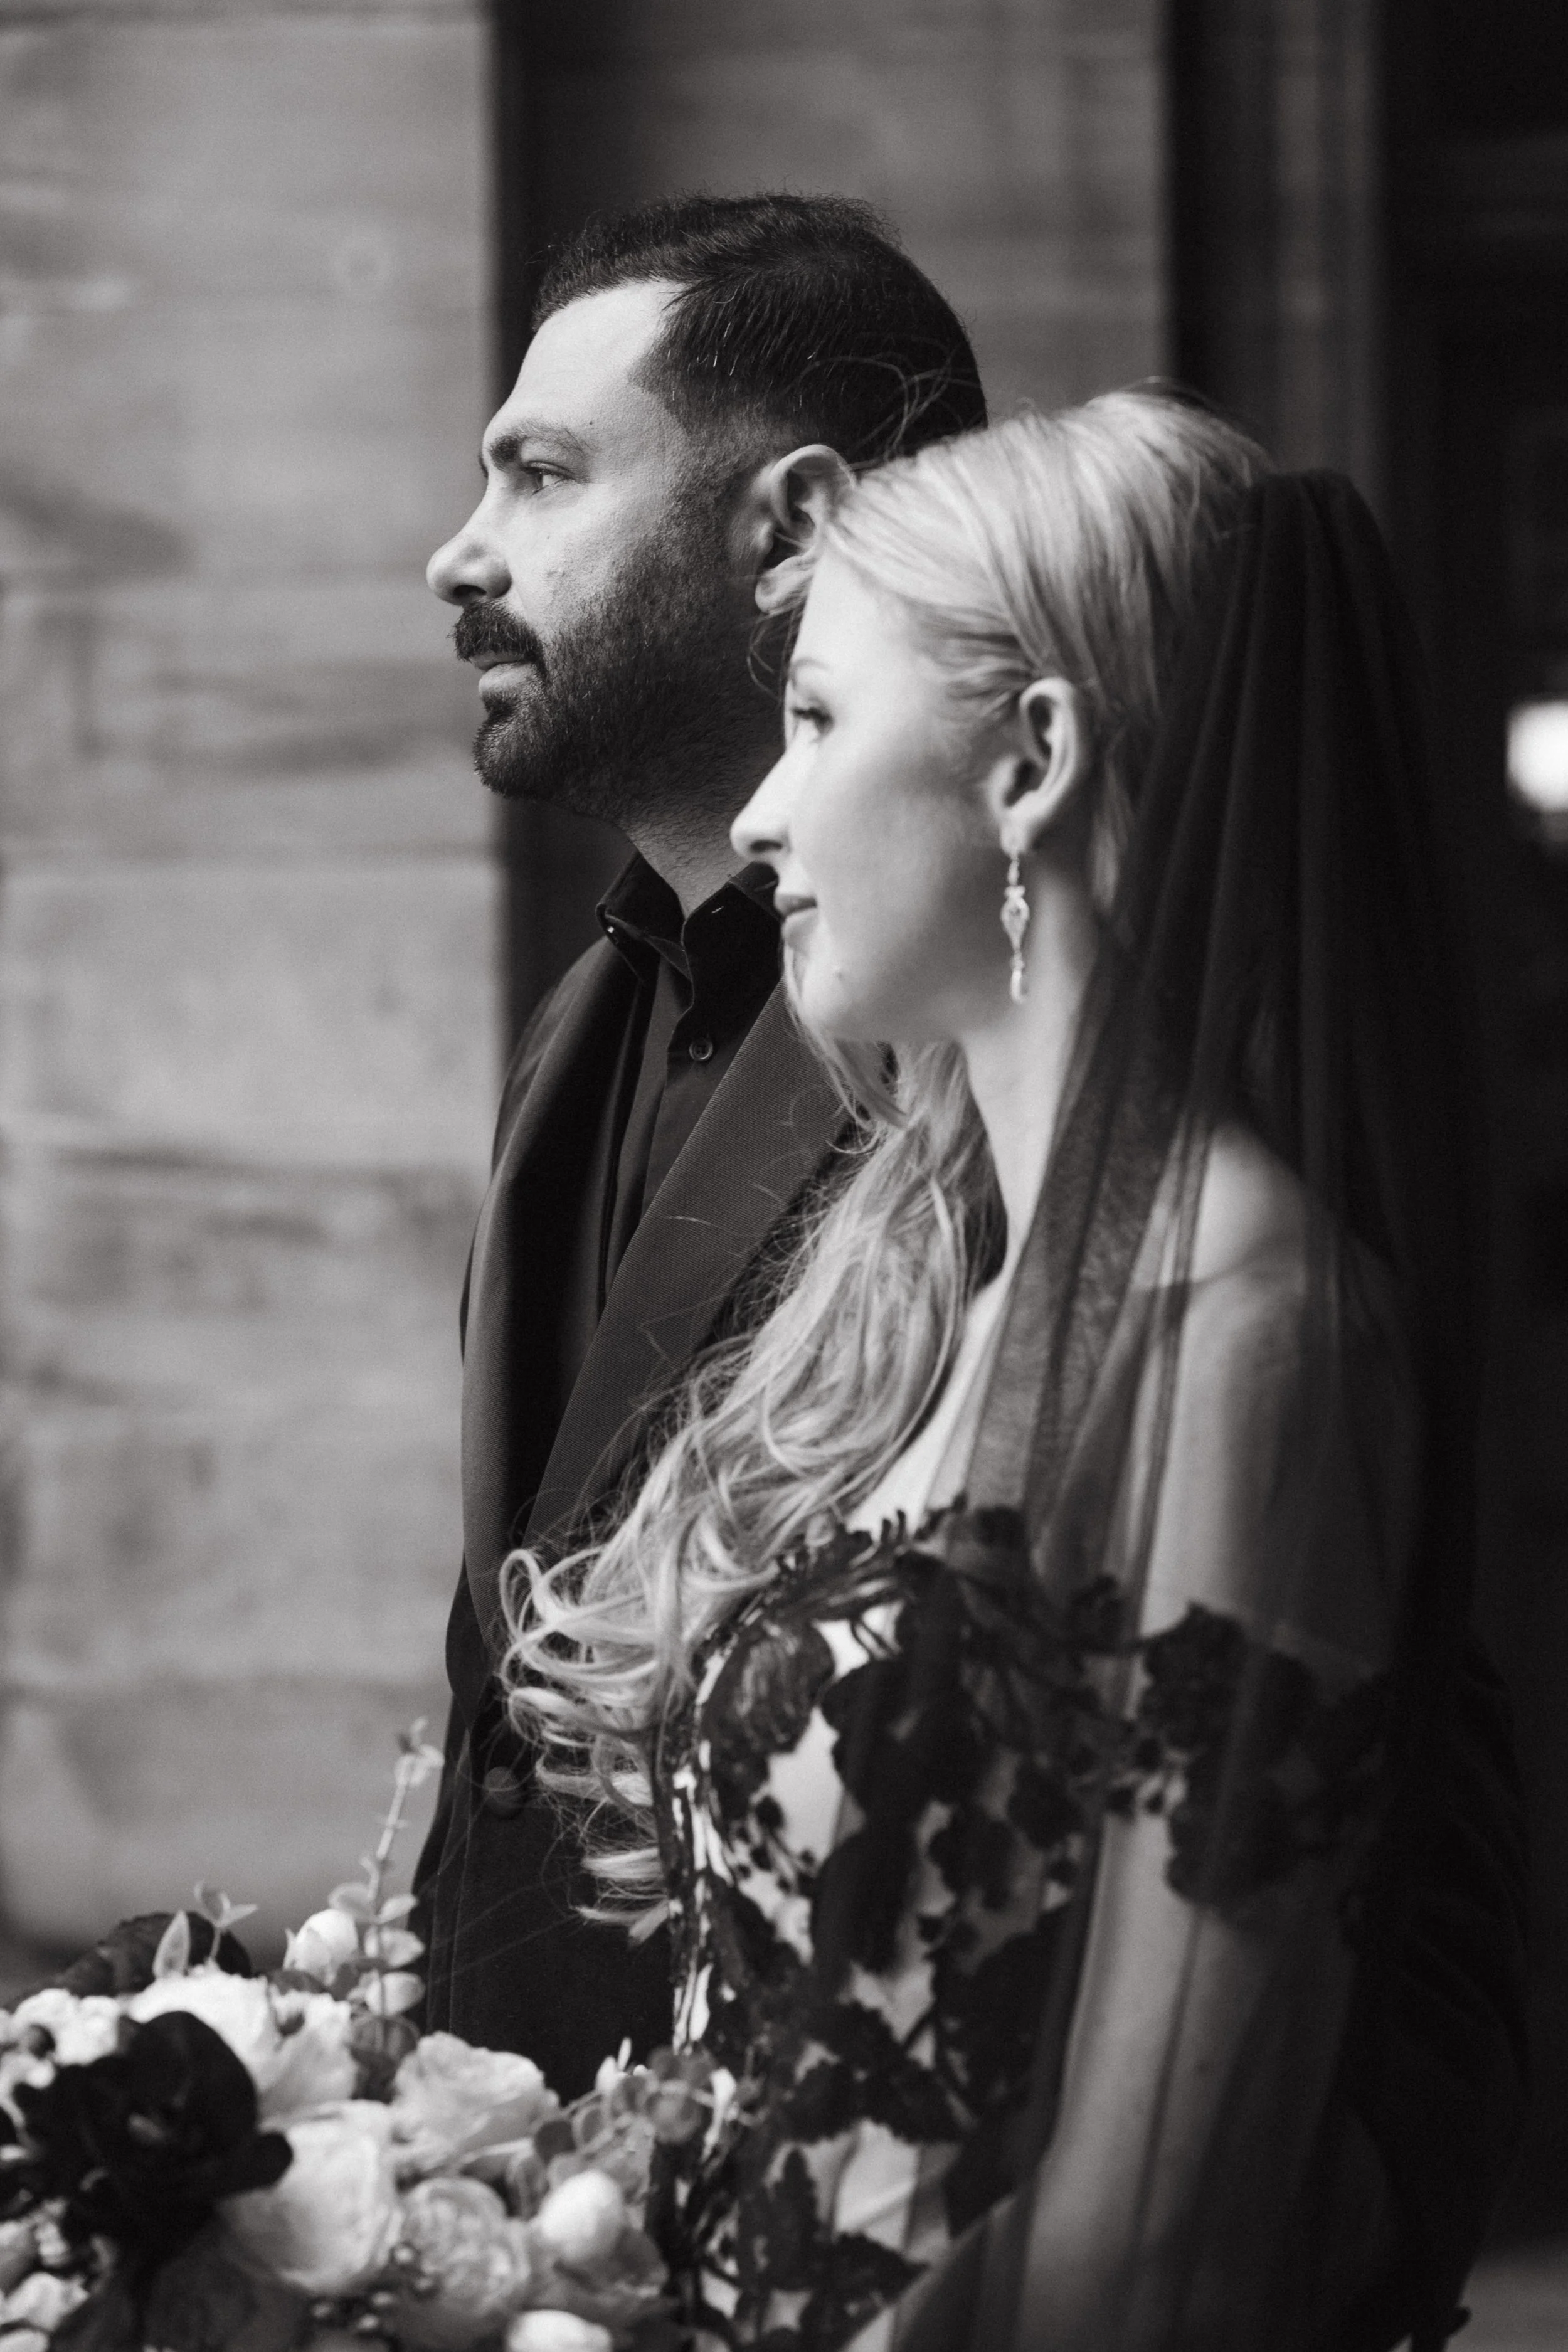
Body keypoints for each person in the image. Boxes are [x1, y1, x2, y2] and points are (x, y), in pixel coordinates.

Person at [503, 392, 1527, 2349]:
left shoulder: (1243, 1321)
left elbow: (1156, 2219)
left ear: (1031, 757)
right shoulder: (952, 1307)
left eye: (814, 721)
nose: (764, 815)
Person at [415, 193, 988, 2090]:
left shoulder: (991, 1039)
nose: (455, 555)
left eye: (541, 475)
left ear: (793, 527)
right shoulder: (578, 1019)